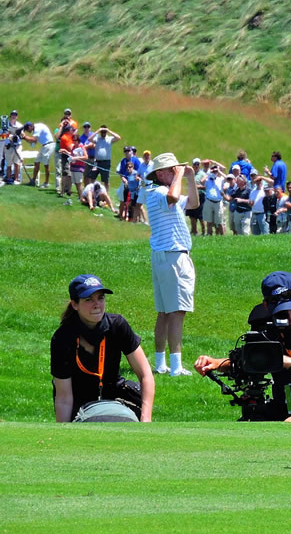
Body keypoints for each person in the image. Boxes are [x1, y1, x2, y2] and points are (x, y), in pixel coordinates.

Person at [195, 271, 291, 422]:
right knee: (248, 423)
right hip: (283, 406)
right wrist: (217, 363)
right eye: (281, 311)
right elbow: (254, 361)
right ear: (266, 305)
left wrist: (289, 362)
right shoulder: (263, 321)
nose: (289, 315)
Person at [51, 274, 154, 422]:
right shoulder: (63, 338)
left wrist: (146, 419)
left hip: (117, 400)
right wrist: (64, 431)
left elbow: (145, 375)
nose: (97, 304)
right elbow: (64, 397)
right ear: (75, 304)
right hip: (81, 406)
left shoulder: (117, 325)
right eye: (88, 299)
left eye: (101, 298)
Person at [144, 153, 199, 377]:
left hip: (166, 256)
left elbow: (193, 203)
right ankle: (176, 367)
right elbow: (174, 197)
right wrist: (179, 176)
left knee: (165, 313)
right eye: (171, 169)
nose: (176, 171)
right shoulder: (160, 192)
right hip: (173, 256)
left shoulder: (160, 192)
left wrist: (190, 178)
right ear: (160, 174)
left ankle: (161, 364)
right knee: (176, 312)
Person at [202, 163, 226, 235]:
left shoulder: (220, 179)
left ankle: (222, 237)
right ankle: (209, 236)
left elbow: (227, 178)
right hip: (209, 201)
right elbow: (202, 181)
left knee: (219, 222)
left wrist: (219, 171)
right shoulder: (207, 180)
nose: (214, 172)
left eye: (215, 171)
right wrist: (209, 173)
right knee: (209, 222)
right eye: (213, 171)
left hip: (218, 202)